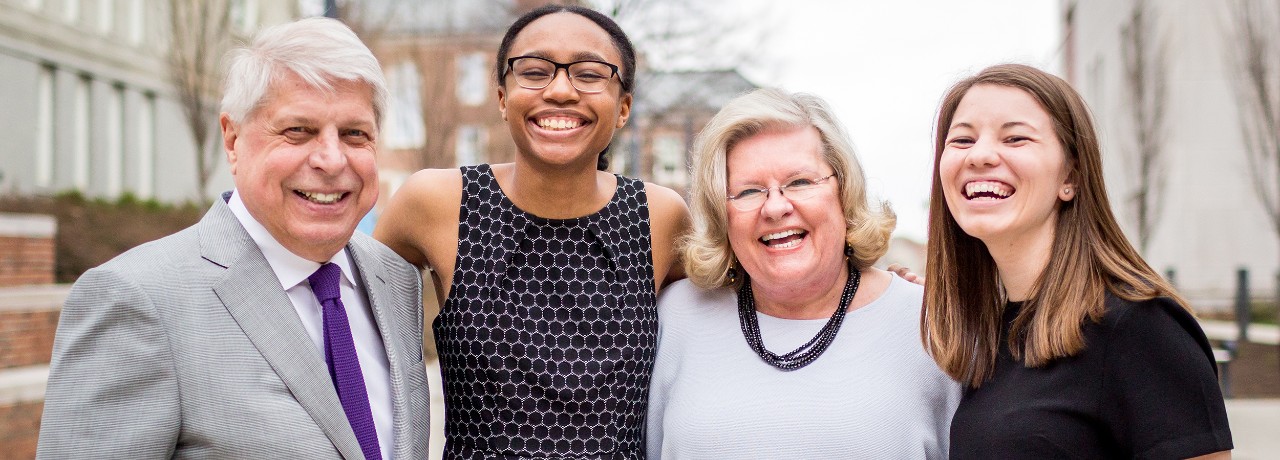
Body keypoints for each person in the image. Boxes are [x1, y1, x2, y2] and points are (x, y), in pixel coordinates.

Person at [37, 17, 430, 459]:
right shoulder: (138, 299)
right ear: (232, 139)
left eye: (354, 134)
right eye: (298, 130)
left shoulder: (396, 279)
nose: (331, 159)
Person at [373, 5, 688, 458]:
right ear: (503, 97)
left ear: (623, 108)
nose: (560, 90)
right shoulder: (435, 203)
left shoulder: (660, 215)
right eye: (535, 71)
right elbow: (352, 328)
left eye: (589, 74)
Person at [923, 63, 1233, 459]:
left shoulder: (1140, 327)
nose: (980, 155)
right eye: (962, 140)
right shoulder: (990, 338)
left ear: (1070, 176)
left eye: (1016, 138)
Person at [646, 88, 961, 459]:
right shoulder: (675, 317)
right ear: (721, 213)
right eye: (748, 191)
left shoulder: (933, 325)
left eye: (799, 182)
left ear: (844, 191)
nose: (775, 207)